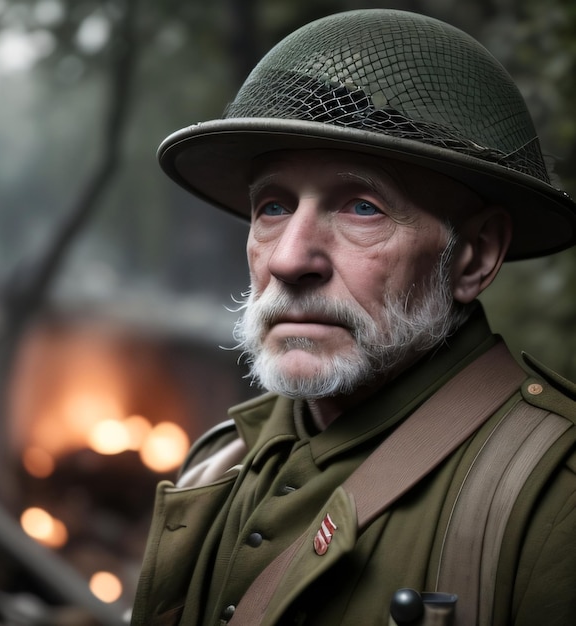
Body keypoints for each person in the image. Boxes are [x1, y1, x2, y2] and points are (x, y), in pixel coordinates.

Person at [132, 9, 576, 626]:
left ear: (472, 256)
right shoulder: (219, 463)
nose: (290, 259)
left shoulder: (554, 497)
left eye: (362, 207)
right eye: (274, 206)